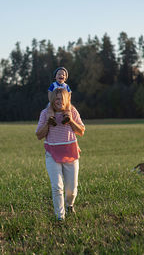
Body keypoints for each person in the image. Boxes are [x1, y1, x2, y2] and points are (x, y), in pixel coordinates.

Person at [36, 88, 85, 221]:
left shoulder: (72, 111)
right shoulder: (45, 113)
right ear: (52, 100)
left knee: (72, 189)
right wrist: (48, 123)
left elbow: (81, 131)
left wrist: (70, 121)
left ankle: (69, 205)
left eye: (62, 99)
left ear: (66, 99)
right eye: (56, 99)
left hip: (71, 153)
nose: (59, 101)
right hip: (52, 154)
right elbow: (38, 135)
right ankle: (60, 217)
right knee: (57, 187)